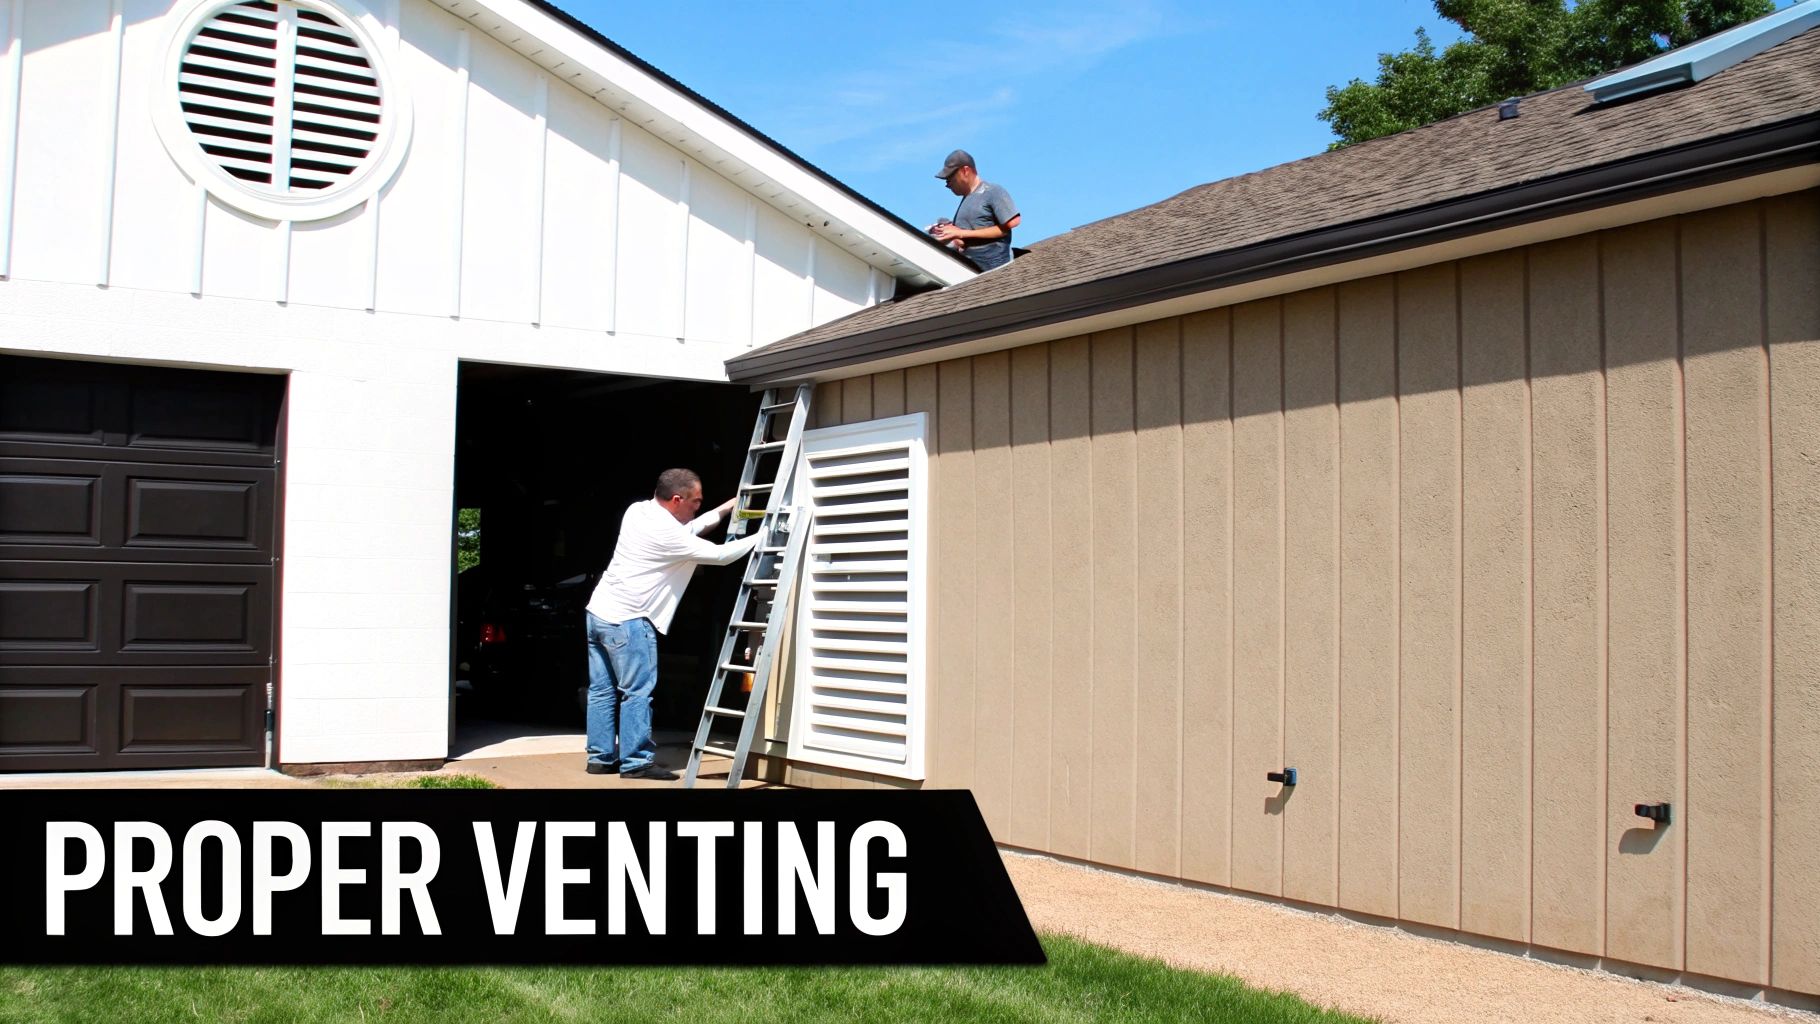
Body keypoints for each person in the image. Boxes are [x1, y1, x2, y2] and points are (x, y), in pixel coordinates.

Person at [583, 468, 759, 780]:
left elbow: (690, 529)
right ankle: (636, 762)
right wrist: (766, 534)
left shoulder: (638, 511)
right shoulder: (667, 536)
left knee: (602, 690)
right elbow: (721, 556)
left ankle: (600, 758)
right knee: (637, 692)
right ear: (676, 499)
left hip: (599, 612)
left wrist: (724, 508)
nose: (697, 506)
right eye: (695, 501)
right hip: (629, 620)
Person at [930, 149, 1021, 271]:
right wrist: (947, 233)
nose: (948, 185)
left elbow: (1012, 223)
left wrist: (961, 233)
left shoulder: (991, 191)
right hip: (973, 272)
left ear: (965, 171)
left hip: (996, 270)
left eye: (950, 179)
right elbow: (963, 242)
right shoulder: (966, 200)